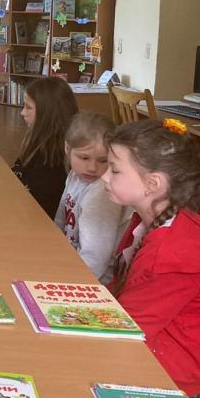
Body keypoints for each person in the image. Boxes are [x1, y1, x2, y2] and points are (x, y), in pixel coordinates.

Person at [104, 118, 200, 398]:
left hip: (171, 374)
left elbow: (128, 331)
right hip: (156, 350)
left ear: (153, 184)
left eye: (115, 170)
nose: (104, 176)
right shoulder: (150, 223)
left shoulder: (169, 254)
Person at [54, 112, 131, 284]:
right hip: (73, 264)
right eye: (84, 158)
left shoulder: (102, 191)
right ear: (67, 149)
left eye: (103, 160)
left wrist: (70, 285)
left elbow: (95, 257)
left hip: (96, 280)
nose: (92, 167)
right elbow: (60, 219)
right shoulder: (75, 175)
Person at [11, 76, 77, 215]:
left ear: (48, 112)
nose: (22, 113)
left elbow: (36, 204)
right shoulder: (38, 141)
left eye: (28, 107)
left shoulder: (54, 159)